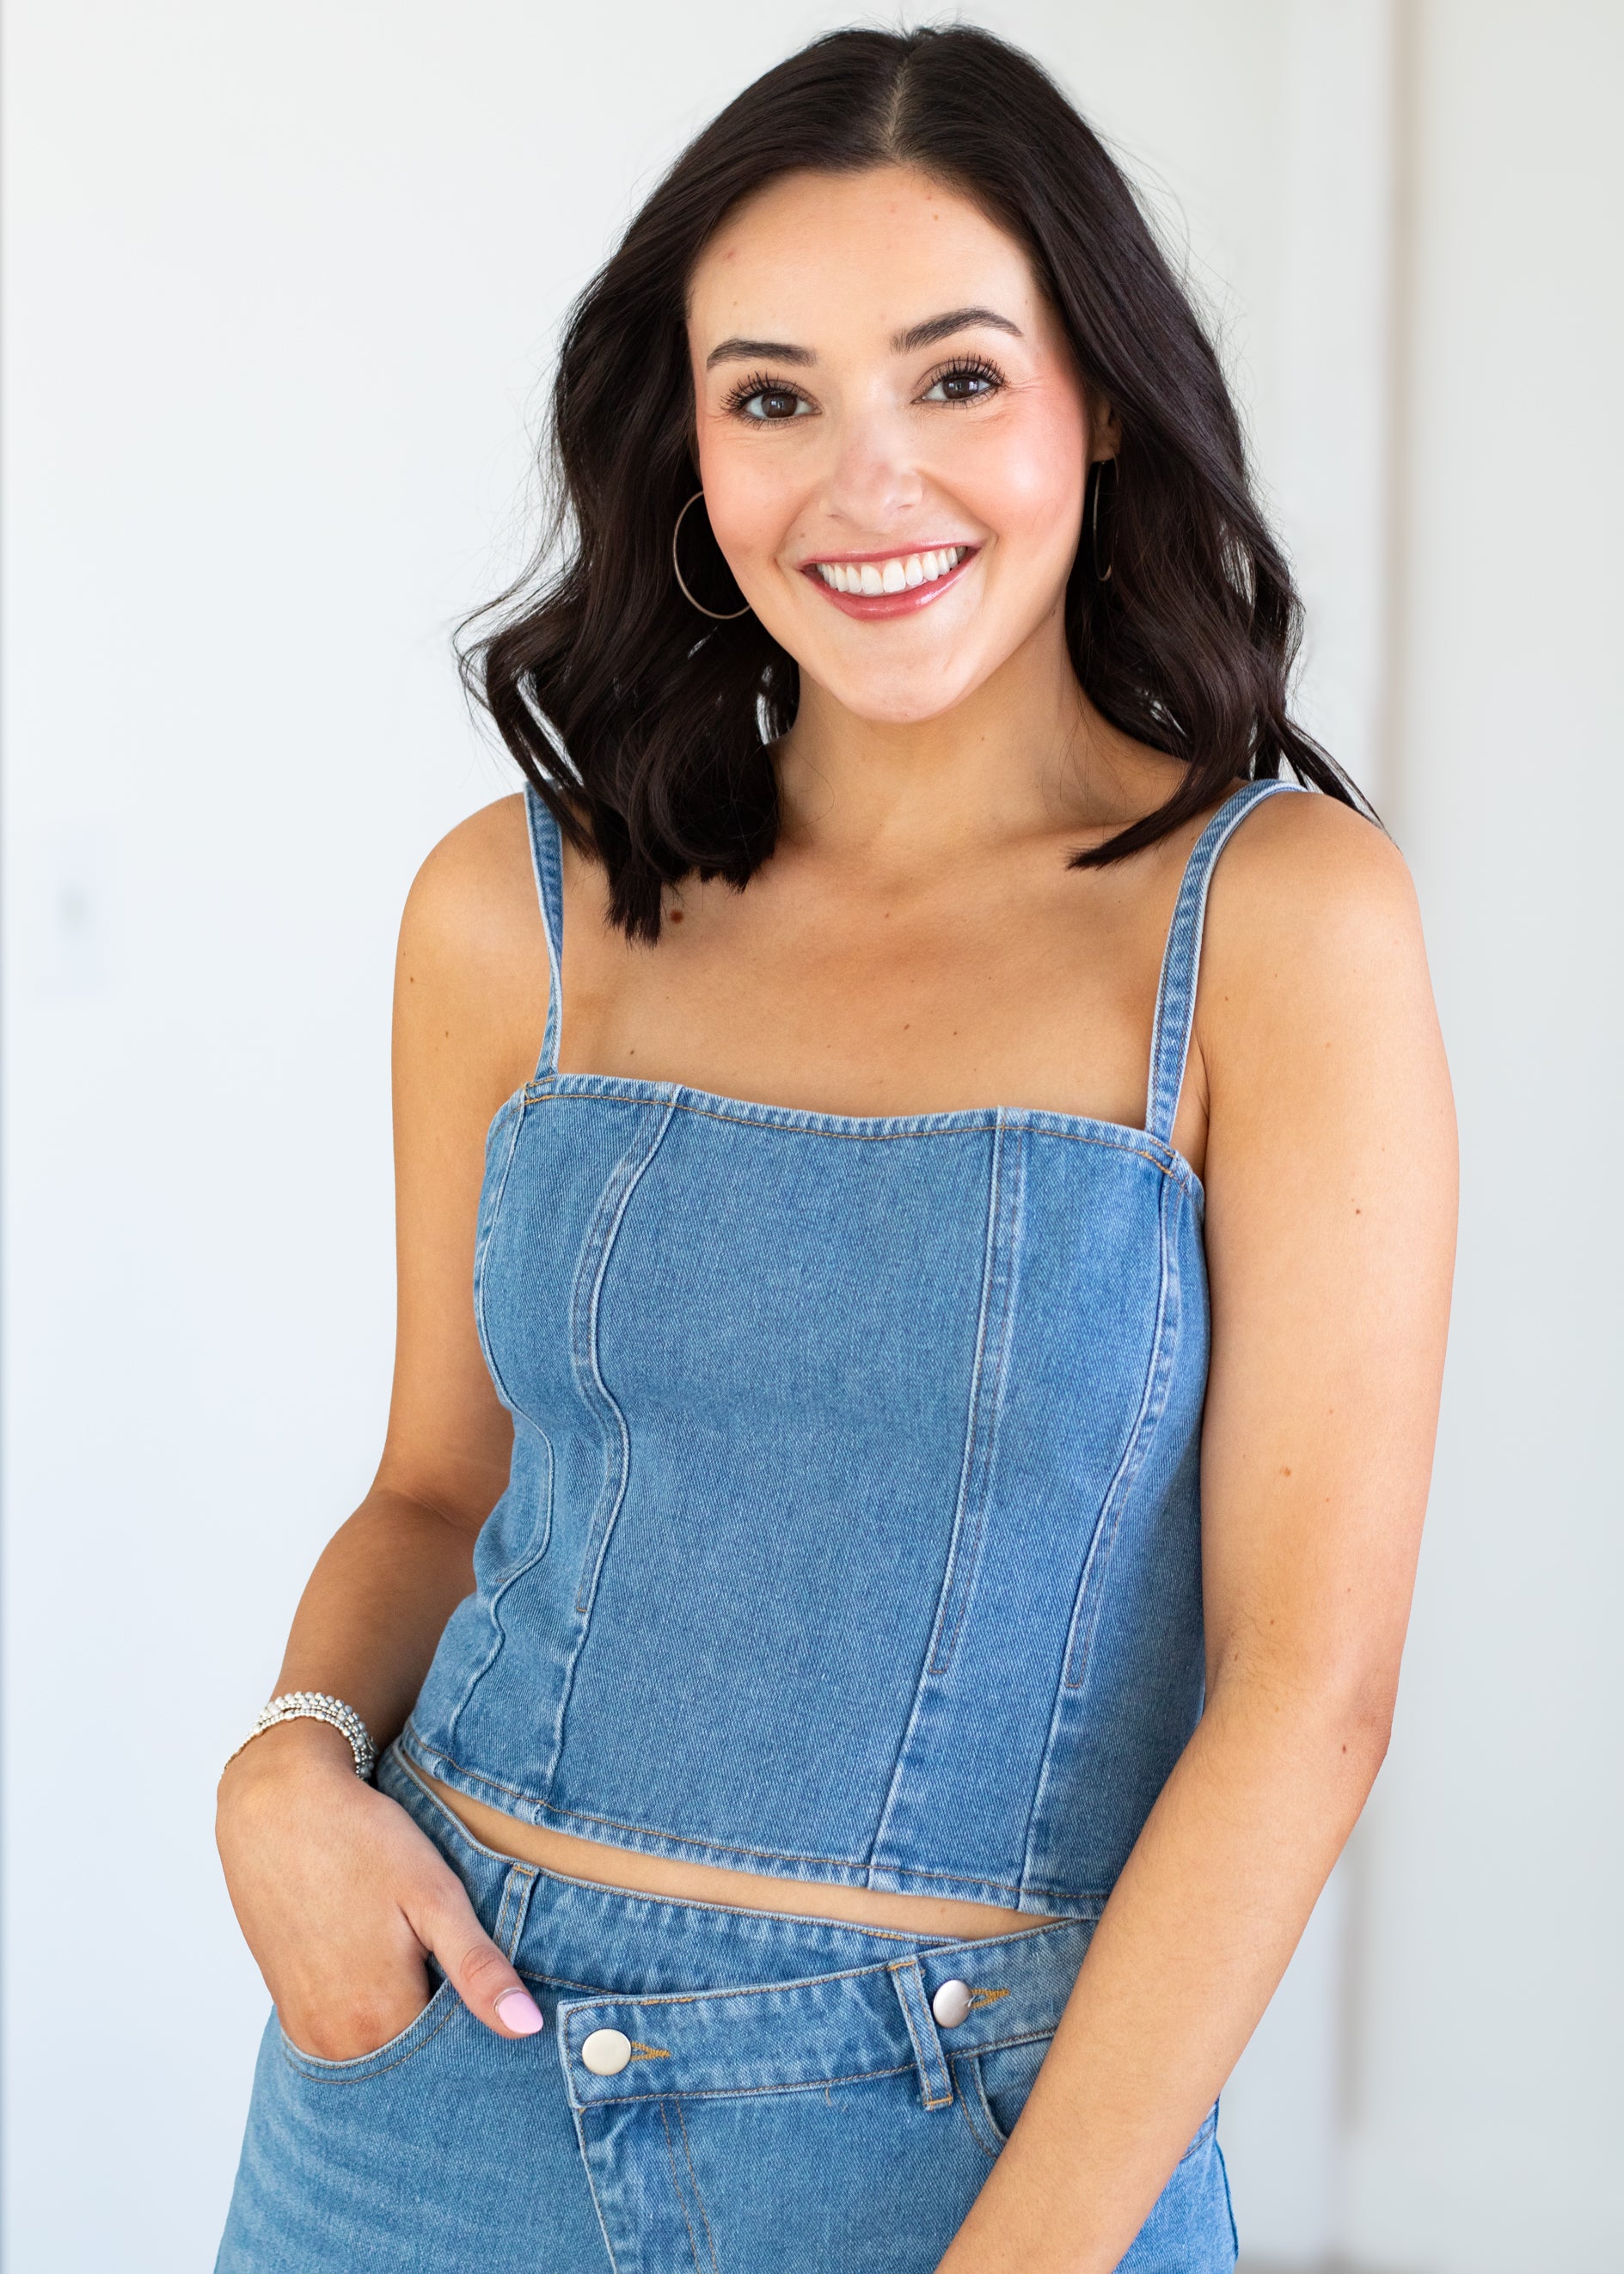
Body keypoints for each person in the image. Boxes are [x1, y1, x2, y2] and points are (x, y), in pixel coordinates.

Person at [212, 25, 1455, 2273]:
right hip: (426, 2103)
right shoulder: (514, 909)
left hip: (970, 2148)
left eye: (955, 379)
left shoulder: (1273, 928)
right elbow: (428, 1493)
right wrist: (287, 1767)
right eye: (771, 396)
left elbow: (1308, 1696)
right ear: (687, 445)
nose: (863, 483)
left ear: (1097, 395)